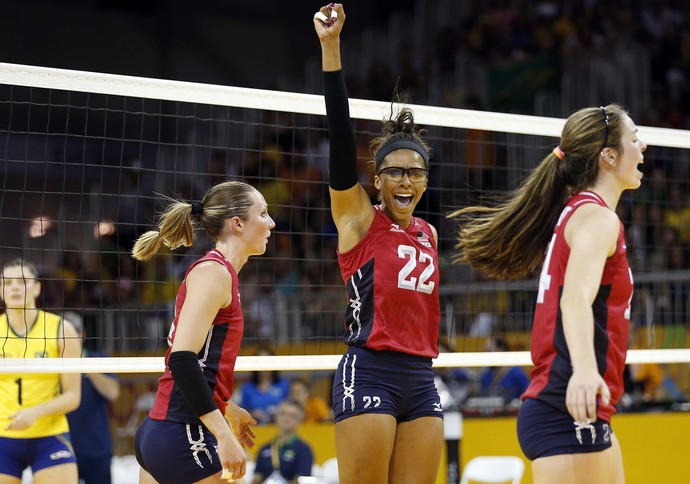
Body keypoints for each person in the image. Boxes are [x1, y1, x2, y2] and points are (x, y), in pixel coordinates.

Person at [451, 104, 647, 483]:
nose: (643, 146)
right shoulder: (596, 218)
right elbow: (573, 300)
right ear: (608, 156)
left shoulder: (581, 212)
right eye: (634, 137)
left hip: (578, 406)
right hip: (566, 404)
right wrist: (587, 373)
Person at [314, 4, 444, 483]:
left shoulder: (427, 232)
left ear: (426, 180)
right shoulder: (359, 219)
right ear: (378, 178)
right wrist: (331, 49)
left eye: (415, 172)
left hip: (420, 375)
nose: (405, 180)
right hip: (368, 370)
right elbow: (341, 138)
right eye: (395, 171)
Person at [132, 180, 275, 484]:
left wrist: (228, 408)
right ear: (237, 224)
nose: (271, 222)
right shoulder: (214, 273)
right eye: (262, 214)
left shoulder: (219, 273)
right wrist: (223, 434)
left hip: (167, 430)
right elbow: (182, 360)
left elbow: (197, 361)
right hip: (182, 431)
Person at [0, 258, 82, 484]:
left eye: (22, 281)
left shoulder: (61, 329)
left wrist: (35, 412)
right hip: (3, 437)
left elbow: (73, 397)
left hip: (49, 435)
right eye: (7, 283)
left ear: (37, 288)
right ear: (1, 290)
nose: (14, 287)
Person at [66, 314, 121, 484]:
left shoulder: (99, 359)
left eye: (70, 334)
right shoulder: (53, 364)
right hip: (63, 450)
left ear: (82, 334)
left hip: (96, 449)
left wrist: (83, 364)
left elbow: (113, 392)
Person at [251, 400, 314, 484]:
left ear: (299, 420)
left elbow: (300, 480)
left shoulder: (304, 450)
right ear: (277, 417)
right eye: (283, 413)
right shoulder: (264, 448)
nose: (286, 418)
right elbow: (257, 477)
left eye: (292, 416)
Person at [239, 346, 290, 424]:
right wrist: (252, 414)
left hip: (279, 426)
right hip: (255, 427)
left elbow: (290, 407)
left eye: (267, 361)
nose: (264, 365)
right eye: (260, 361)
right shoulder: (247, 387)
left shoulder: (283, 384)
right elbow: (242, 410)